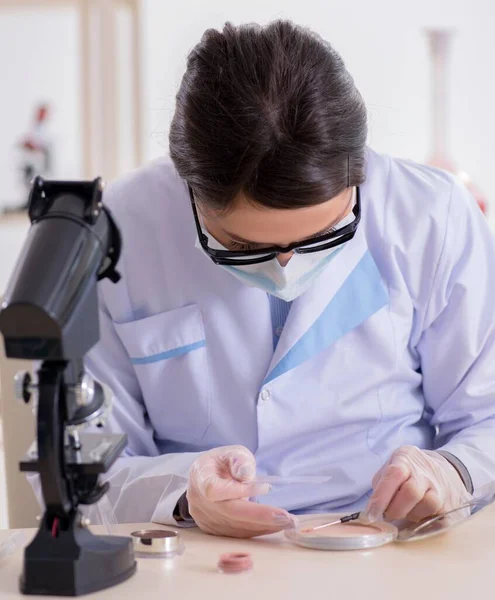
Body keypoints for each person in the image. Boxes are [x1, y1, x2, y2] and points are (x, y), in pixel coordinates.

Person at [82, 20, 495, 538]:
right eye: (241, 248)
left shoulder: (431, 217)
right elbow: (83, 464)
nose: (285, 265)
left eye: (324, 237)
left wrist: (451, 472)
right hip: (192, 548)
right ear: (189, 187)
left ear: (357, 174)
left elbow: (486, 417)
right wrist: (183, 494)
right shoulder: (115, 229)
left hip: (388, 539)